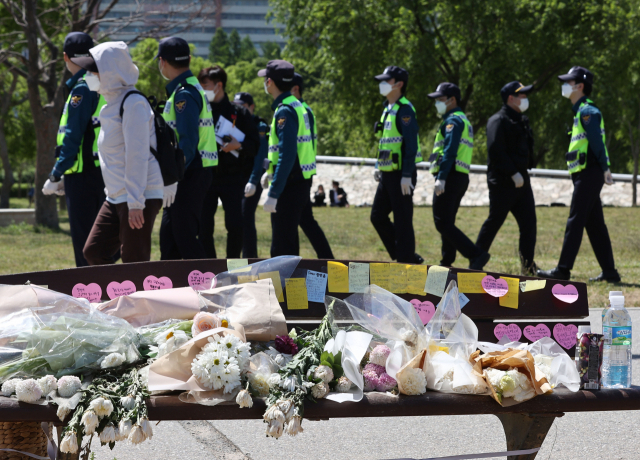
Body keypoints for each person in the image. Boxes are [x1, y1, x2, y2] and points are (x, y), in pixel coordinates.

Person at [74, 41, 164, 264]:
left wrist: (135, 202)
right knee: (93, 251)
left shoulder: (133, 103)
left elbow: (137, 154)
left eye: (93, 71)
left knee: (134, 260)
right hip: (116, 194)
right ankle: (117, 297)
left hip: (138, 194)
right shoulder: (108, 105)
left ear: (110, 72)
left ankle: (137, 299)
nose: (88, 75)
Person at [537, 66, 620, 282]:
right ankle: (610, 272)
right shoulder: (580, 111)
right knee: (594, 224)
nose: (564, 85)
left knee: (575, 221)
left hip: (589, 173)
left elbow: (596, 142)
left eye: (568, 81)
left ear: (579, 86)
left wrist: (605, 167)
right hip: (584, 174)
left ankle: (562, 270)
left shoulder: (587, 111)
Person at [41, 32, 108, 267]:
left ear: (65, 57)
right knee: (100, 243)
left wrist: (56, 174)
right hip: (102, 170)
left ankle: (91, 297)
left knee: (85, 244)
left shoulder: (80, 88)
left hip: (83, 177)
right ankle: (106, 291)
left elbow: (73, 136)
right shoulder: (99, 82)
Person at [157, 37, 216, 261]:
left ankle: (206, 288)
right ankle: (169, 291)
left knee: (185, 239)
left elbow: (188, 142)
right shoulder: (190, 90)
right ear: (189, 59)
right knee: (170, 239)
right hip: (189, 173)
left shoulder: (184, 94)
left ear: (162, 62)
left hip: (189, 174)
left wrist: (173, 178)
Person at [476, 81, 538, 275]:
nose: (525, 99)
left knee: (529, 225)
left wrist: (522, 173)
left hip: (522, 181)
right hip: (503, 182)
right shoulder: (498, 120)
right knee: (494, 221)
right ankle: (475, 262)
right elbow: (495, 151)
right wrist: (513, 173)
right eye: (522, 95)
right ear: (511, 98)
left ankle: (527, 267)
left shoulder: (521, 120)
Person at [198, 66, 259, 259]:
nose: (202, 89)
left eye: (205, 85)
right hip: (205, 177)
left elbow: (254, 145)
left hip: (233, 178)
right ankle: (210, 269)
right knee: (204, 227)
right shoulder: (200, 109)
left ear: (219, 85)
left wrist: (237, 145)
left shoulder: (239, 112)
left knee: (235, 226)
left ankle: (232, 268)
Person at [427, 82, 490, 270]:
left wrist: (442, 177)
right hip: (460, 176)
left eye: (440, 99)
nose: (437, 103)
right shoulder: (463, 120)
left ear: (452, 100)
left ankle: (476, 254)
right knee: (447, 221)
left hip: (450, 176)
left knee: (441, 222)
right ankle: (447, 260)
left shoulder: (453, 121)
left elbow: (450, 150)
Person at [259, 59, 317, 256]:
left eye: (266, 79)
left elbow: (287, 154)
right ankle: (292, 287)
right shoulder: (296, 105)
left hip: (289, 186)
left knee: (281, 248)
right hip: (297, 181)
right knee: (289, 246)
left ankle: (282, 287)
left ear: (270, 83)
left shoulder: (284, 109)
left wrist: (274, 192)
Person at [370, 66, 424, 264]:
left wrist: (407, 174)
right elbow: (386, 141)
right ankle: (404, 254)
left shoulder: (404, 110)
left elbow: (411, 145)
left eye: (387, 80)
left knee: (403, 220)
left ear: (399, 84)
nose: (382, 84)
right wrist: (378, 165)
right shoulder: (388, 108)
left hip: (401, 174)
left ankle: (406, 260)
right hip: (387, 173)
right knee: (377, 216)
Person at [290, 72, 334, 259]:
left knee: (300, 220)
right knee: (305, 220)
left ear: (296, 89)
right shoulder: (301, 109)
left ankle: (326, 259)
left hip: (300, 174)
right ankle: (327, 258)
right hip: (302, 173)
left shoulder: (302, 110)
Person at [233, 91, 268, 258]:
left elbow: (259, 156)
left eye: (243, 107)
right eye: (236, 107)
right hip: (236, 178)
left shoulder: (258, 125)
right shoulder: (233, 124)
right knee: (237, 219)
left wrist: (254, 180)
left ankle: (250, 258)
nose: (240, 110)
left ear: (251, 107)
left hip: (252, 178)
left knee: (245, 217)